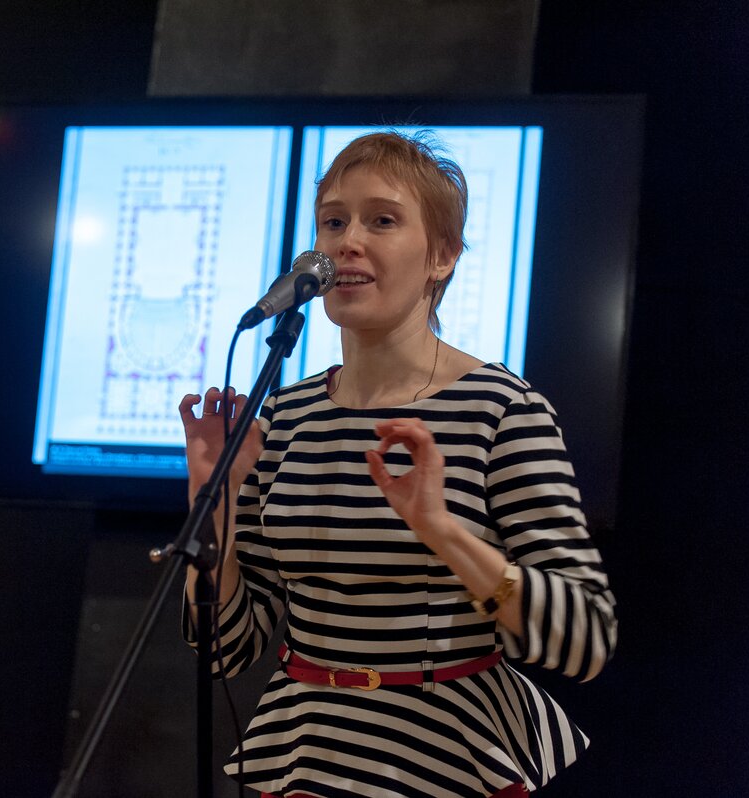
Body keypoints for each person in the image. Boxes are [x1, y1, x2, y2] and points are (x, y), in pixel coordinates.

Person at [178, 130, 617, 798]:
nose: (347, 242)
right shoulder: (289, 412)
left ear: (442, 255)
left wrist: (443, 533)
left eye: (382, 220)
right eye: (333, 222)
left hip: (447, 756)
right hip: (305, 755)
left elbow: (583, 637)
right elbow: (226, 649)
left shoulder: (502, 409)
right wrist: (212, 502)